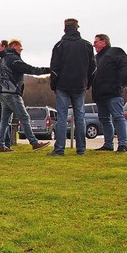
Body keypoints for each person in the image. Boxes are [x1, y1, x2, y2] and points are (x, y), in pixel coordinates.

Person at [48, 18, 96, 156]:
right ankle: (81, 149)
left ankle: (59, 149)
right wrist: (88, 83)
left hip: (63, 85)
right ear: (77, 28)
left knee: (62, 117)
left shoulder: (59, 46)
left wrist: (54, 85)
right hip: (80, 85)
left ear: (65, 29)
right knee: (80, 117)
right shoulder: (86, 46)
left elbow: (54, 68)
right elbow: (93, 68)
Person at [0, 39, 51, 152]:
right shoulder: (14, 60)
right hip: (12, 94)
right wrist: (50, 70)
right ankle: (34, 142)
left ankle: (0, 145)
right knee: (24, 117)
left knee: (4, 120)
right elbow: (31, 69)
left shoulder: (3, 59)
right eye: (20, 46)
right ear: (14, 46)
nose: (22, 49)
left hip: (3, 93)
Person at [92, 33, 127, 153]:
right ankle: (108, 144)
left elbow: (124, 67)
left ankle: (122, 145)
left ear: (104, 42)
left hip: (113, 92)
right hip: (99, 94)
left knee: (118, 117)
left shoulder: (116, 52)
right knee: (104, 119)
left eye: (96, 42)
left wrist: (125, 80)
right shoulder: (96, 58)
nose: (94, 45)